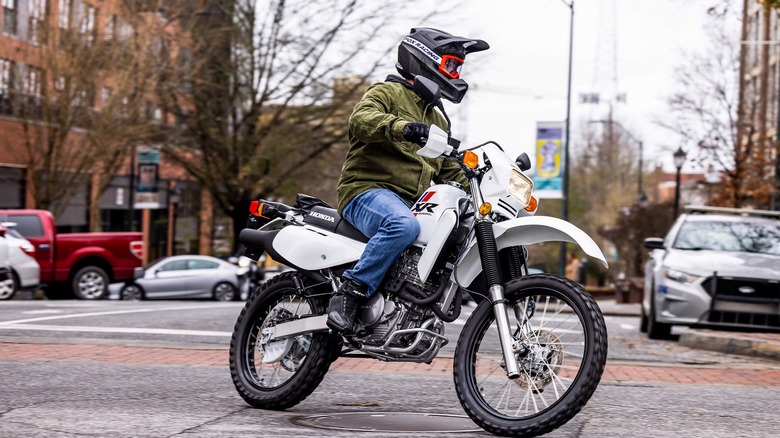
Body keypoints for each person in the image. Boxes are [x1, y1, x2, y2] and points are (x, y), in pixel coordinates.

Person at [327, 28, 489, 335]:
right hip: (367, 191)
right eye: (451, 65)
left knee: (459, 229)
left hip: (412, 203)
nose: (455, 74)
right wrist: (403, 127)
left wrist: (478, 183)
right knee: (403, 226)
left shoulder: (440, 120)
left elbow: (446, 171)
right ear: (423, 60)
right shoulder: (386, 93)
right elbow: (360, 121)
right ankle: (350, 292)